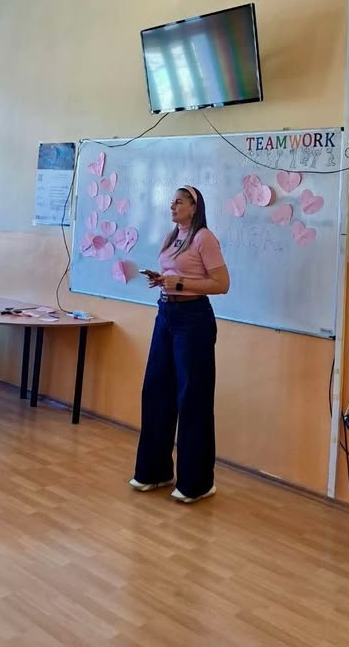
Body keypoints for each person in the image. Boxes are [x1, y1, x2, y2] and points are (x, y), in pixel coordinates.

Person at [130, 185, 229, 503]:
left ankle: (197, 483)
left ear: (194, 207)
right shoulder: (172, 236)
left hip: (193, 319)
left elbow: (222, 284)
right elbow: (173, 275)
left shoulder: (204, 238)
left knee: (192, 397)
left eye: (178, 202)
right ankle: (154, 471)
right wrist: (162, 280)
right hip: (166, 314)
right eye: (171, 202)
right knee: (156, 390)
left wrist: (181, 283)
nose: (172, 206)